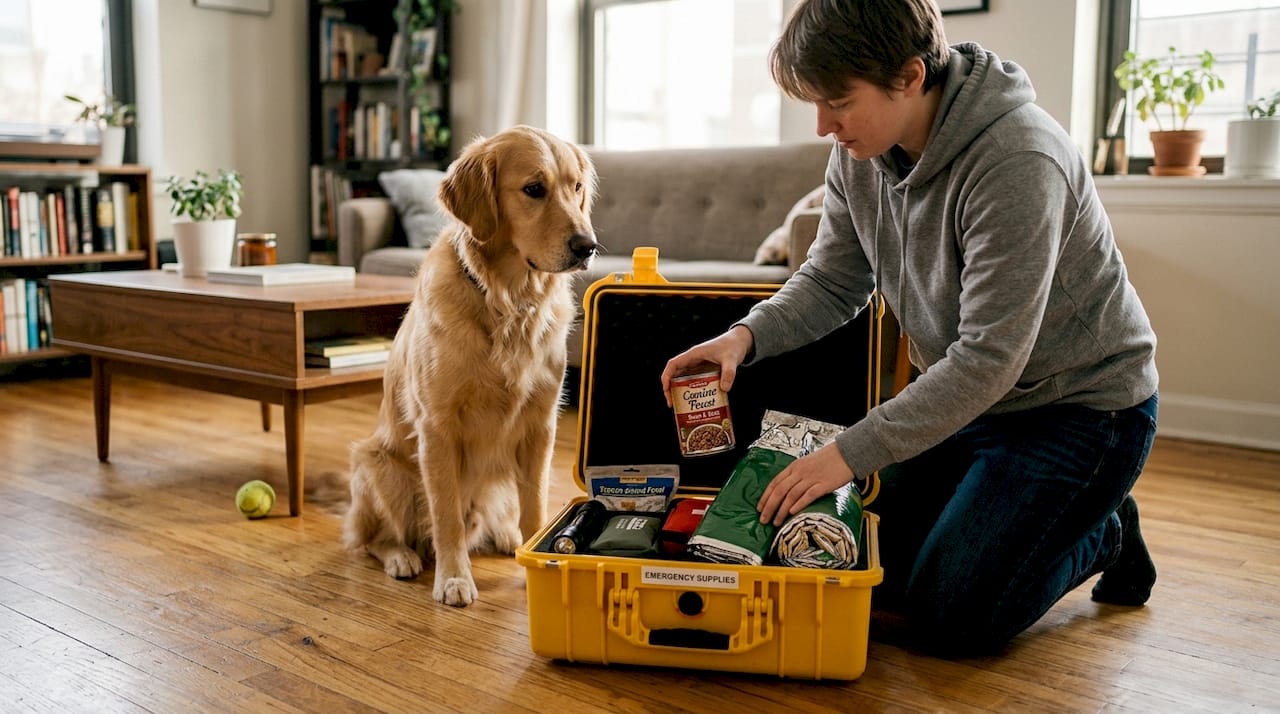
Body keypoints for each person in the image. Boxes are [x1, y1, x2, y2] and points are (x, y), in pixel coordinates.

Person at [660, 0, 1159, 657]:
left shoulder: (1019, 159)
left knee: (953, 615)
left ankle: (1104, 529)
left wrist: (845, 455)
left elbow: (989, 357)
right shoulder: (858, 153)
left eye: (837, 101)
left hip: (1081, 414)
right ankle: (1052, 516)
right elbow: (833, 283)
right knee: (863, 567)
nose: (822, 126)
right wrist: (743, 338)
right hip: (967, 404)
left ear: (911, 76)